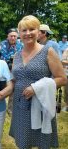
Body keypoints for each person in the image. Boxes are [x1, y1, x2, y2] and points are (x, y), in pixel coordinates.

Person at [9, 15, 67, 149]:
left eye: (32, 29)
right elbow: (14, 80)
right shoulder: (17, 55)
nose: (28, 33)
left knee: (42, 142)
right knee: (23, 143)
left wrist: (36, 88)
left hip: (41, 104)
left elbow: (62, 78)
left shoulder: (48, 51)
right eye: (24, 30)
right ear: (19, 33)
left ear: (38, 31)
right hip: (21, 106)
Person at [0, 28, 23, 116]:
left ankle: (10, 109)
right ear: (7, 36)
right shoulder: (1, 45)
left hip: (15, 71)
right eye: (11, 36)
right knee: (2, 89)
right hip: (2, 70)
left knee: (13, 90)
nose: (13, 38)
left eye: (15, 36)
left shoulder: (21, 45)